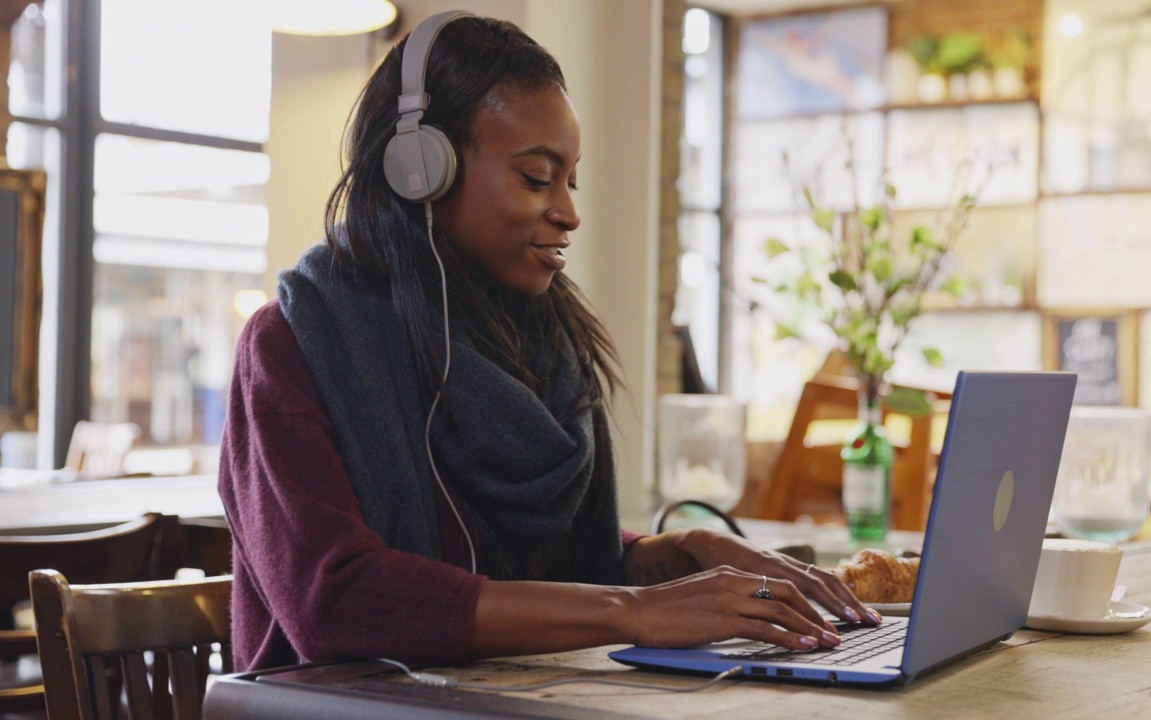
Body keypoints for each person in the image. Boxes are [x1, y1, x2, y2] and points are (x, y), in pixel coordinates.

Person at [218, 10, 879, 673]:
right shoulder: (290, 345)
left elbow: (535, 560)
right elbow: (337, 599)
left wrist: (672, 555)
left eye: (571, 180)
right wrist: (631, 610)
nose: (569, 211)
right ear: (420, 171)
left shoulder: (544, 338)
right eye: (538, 178)